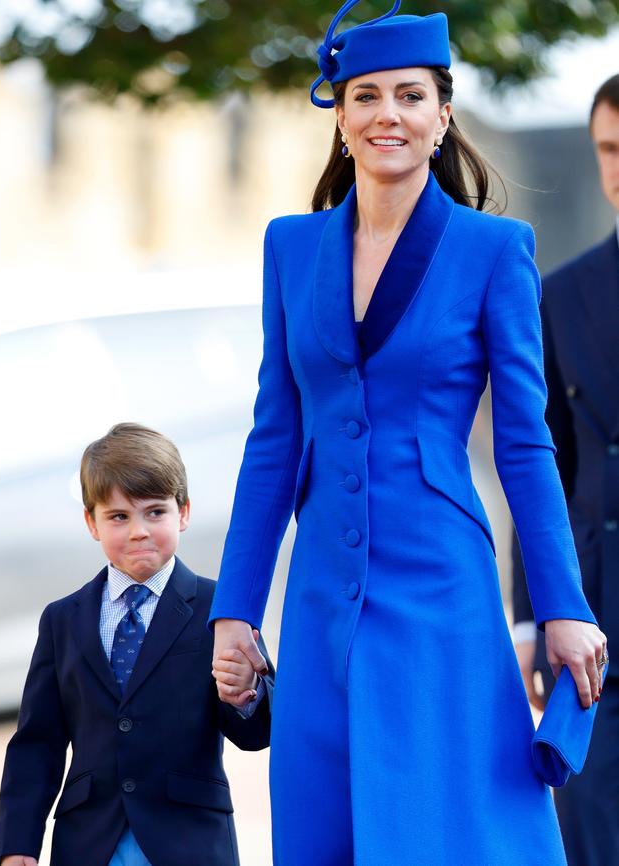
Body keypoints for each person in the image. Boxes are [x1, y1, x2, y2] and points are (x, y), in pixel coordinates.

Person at [210, 1, 607, 864]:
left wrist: (563, 606)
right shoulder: (291, 247)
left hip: (439, 586)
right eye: (366, 97)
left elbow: (526, 444)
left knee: (445, 821)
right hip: (322, 591)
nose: (388, 113)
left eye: (410, 96)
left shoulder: (495, 250)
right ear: (341, 117)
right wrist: (235, 606)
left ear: (443, 115)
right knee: (329, 817)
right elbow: (274, 436)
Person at [0, 423, 274, 866]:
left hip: (188, 842)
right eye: (119, 516)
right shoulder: (63, 620)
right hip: (90, 843)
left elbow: (258, 733)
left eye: (155, 512)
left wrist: (247, 694)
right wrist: (17, 846)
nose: (139, 530)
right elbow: (37, 744)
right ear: (92, 522)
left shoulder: (218, 608)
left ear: (183, 512)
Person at [512, 73, 619, 866]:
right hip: (594, 627)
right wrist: (530, 614)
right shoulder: (560, 295)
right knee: (591, 835)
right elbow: (537, 465)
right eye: (609, 150)